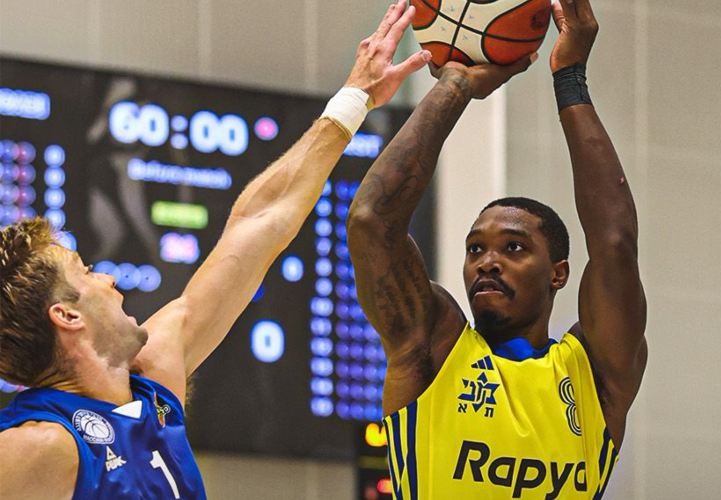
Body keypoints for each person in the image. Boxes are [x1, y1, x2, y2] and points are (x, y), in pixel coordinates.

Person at [0, 3, 430, 498]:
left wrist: (353, 99)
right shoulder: (39, 446)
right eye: (87, 271)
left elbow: (259, 223)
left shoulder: (153, 379)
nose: (109, 279)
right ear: (66, 316)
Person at [346, 0, 647, 497]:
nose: (487, 262)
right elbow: (371, 221)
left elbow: (615, 244)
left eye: (513, 247)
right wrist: (456, 85)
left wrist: (570, 78)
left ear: (558, 272)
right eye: (475, 250)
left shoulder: (593, 371)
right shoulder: (434, 347)